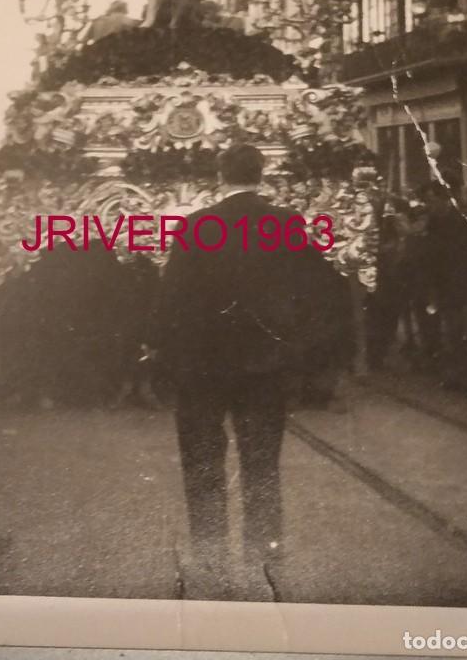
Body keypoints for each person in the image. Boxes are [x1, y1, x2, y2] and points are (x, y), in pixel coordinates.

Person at [149, 144, 352, 596]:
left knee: (202, 462)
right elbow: (317, 291)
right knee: (261, 464)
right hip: (264, 365)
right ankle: (263, 559)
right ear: (261, 174)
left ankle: (209, 557)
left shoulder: (196, 225)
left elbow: (170, 300)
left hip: (203, 366)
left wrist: (163, 354)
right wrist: (295, 348)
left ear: (220, 175)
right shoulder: (286, 224)